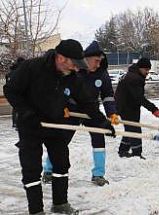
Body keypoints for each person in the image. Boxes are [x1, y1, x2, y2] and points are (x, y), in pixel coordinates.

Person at [3, 39, 116, 215]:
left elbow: (86, 102)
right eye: (74, 63)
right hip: (30, 124)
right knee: (31, 168)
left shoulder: (72, 76)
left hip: (55, 122)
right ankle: (36, 210)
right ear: (61, 58)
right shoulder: (32, 68)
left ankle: (60, 203)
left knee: (62, 163)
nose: (76, 68)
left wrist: (102, 122)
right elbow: (10, 90)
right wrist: (26, 112)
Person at [42, 41, 119, 186]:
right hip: (72, 110)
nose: (98, 64)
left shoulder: (102, 74)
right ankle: (48, 170)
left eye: (100, 61)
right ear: (86, 58)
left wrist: (112, 113)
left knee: (99, 141)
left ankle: (98, 174)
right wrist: (62, 107)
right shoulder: (75, 70)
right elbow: (61, 90)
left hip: (92, 111)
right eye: (96, 61)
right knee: (61, 140)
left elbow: (107, 95)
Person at [115, 57, 159, 159]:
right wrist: (153, 109)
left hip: (125, 106)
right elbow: (139, 97)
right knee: (134, 129)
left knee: (129, 128)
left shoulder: (132, 75)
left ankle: (123, 150)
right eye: (146, 69)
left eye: (148, 69)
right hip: (127, 107)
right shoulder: (134, 78)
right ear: (140, 68)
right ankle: (137, 153)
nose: (148, 72)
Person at [5, 57, 25, 128]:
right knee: (22, 108)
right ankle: (19, 122)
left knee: (15, 108)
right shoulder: (22, 70)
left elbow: (7, 83)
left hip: (13, 92)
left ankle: (14, 122)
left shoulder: (10, 72)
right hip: (21, 92)